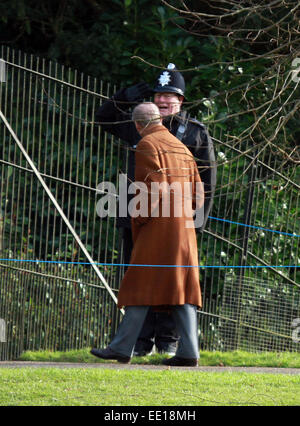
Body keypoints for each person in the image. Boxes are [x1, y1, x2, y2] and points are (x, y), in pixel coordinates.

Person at [95, 63, 216, 356]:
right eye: (158, 94)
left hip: (173, 222)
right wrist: (122, 97)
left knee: (172, 280)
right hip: (138, 218)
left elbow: (207, 180)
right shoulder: (140, 124)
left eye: (169, 95)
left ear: (181, 101)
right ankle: (139, 343)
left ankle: (168, 343)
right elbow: (103, 118)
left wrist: (197, 221)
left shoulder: (195, 133)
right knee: (139, 277)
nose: (163, 100)